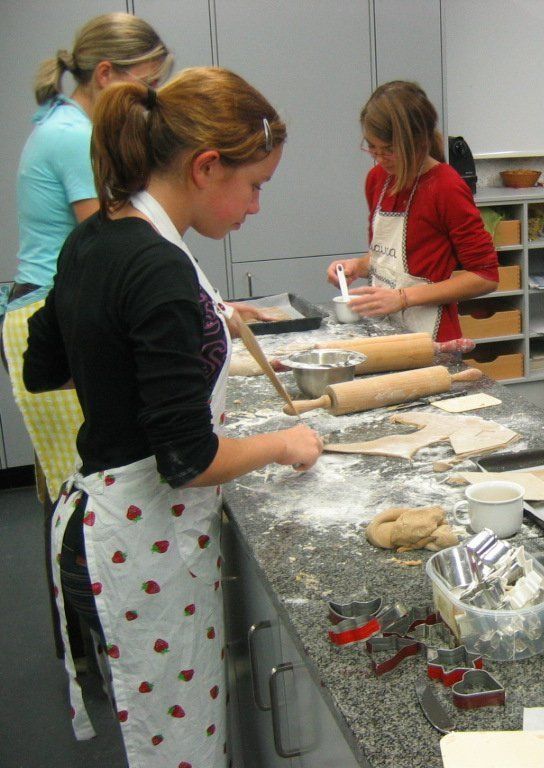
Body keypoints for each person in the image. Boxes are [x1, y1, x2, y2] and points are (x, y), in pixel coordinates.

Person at [23, 67, 323, 766]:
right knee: (179, 748)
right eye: (255, 185)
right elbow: (188, 460)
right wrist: (283, 443)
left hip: (96, 524)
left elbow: (45, 365)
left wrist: (140, 358)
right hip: (140, 540)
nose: (256, 208)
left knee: (165, 734)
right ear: (206, 166)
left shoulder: (97, 236)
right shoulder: (157, 264)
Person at [2, 12, 171, 506]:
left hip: (52, 305)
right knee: (86, 488)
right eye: (148, 84)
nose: (154, 98)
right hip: (54, 314)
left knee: (75, 489)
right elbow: (113, 241)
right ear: (105, 74)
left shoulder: (62, 121)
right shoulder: (75, 136)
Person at [326, 80, 498, 341]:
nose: (379, 158)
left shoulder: (446, 187)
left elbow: (485, 277)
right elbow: (391, 258)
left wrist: (403, 298)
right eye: (373, 148)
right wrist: (357, 267)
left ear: (418, 142)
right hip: (385, 329)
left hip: (431, 337)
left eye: (389, 150)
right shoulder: (377, 179)